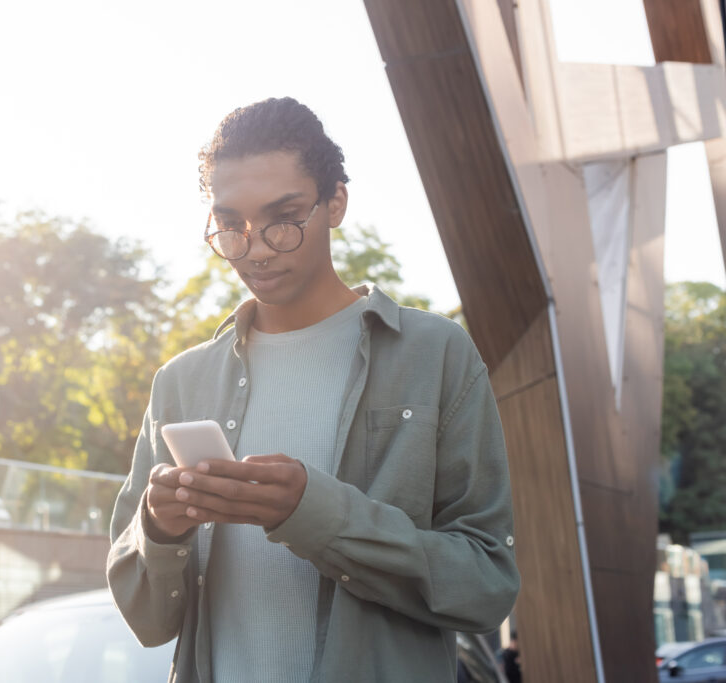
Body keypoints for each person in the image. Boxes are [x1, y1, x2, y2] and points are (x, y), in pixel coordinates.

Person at [107, 97, 519, 682]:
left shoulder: (436, 355)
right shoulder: (180, 382)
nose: (255, 248)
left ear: (336, 203)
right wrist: (159, 527)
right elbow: (147, 622)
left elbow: (486, 586)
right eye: (230, 225)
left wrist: (312, 512)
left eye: (284, 217)